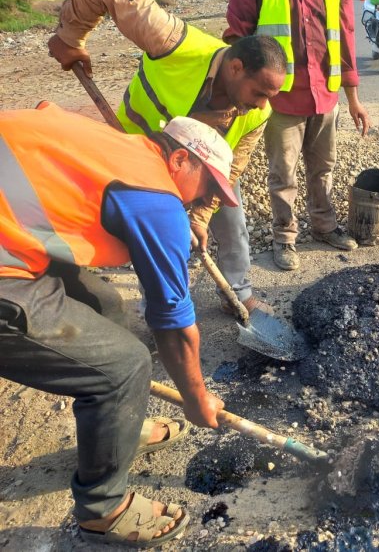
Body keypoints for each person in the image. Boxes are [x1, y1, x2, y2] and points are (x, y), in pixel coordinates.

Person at [0, 103, 231, 546]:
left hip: (13, 234)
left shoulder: (123, 149)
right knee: (123, 366)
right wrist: (196, 398)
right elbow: (175, 325)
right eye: (206, 190)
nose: (204, 203)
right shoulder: (157, 201)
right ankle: (103, 511)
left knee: (106, 305)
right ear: (180, 159)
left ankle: (119, 426)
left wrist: (172, 221)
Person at [48, 0, 287, 316]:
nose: (262, 104)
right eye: (259, 92)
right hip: (137, 157)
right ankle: (161, 308)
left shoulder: (258, 113)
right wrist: (71, 38)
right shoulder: (174, 42)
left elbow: (231, 172)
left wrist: (201, 217)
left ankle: (238, 291)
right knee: (152, 233)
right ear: (235, 67)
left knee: (232, 218)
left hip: (201, 167)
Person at [225, 0, 371, 271]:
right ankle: (284, 237)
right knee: (283, 174)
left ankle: (324, 226)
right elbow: (238, 39)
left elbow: (345, 36)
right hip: (280, 99)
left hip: (324, 96)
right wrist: (239, 98)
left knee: (324, 168)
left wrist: (353, 99)